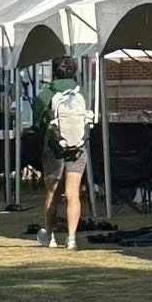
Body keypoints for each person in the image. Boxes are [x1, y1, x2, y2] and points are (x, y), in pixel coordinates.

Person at [33, 57, 92, 251]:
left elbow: (37, 123)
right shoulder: (82, 93)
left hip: (54, 147)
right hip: (78, 147)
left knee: (52, 193)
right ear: (75, 72)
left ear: (53, 72)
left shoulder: (45, 95)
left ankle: (50, 236)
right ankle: (71, 238)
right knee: (73, 193)